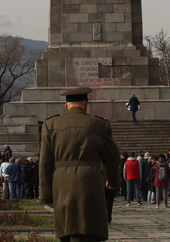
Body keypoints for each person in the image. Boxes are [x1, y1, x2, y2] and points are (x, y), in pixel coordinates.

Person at [39, 86, 121, 242]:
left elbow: (45, 163)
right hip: (90, 181)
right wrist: (113, 182)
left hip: (62, 183)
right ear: (86, 105)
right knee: (89, 227)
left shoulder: (51, 124)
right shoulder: (99, 125)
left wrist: (46, 195)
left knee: (67, 229)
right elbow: (112, 159)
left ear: (66, 106)